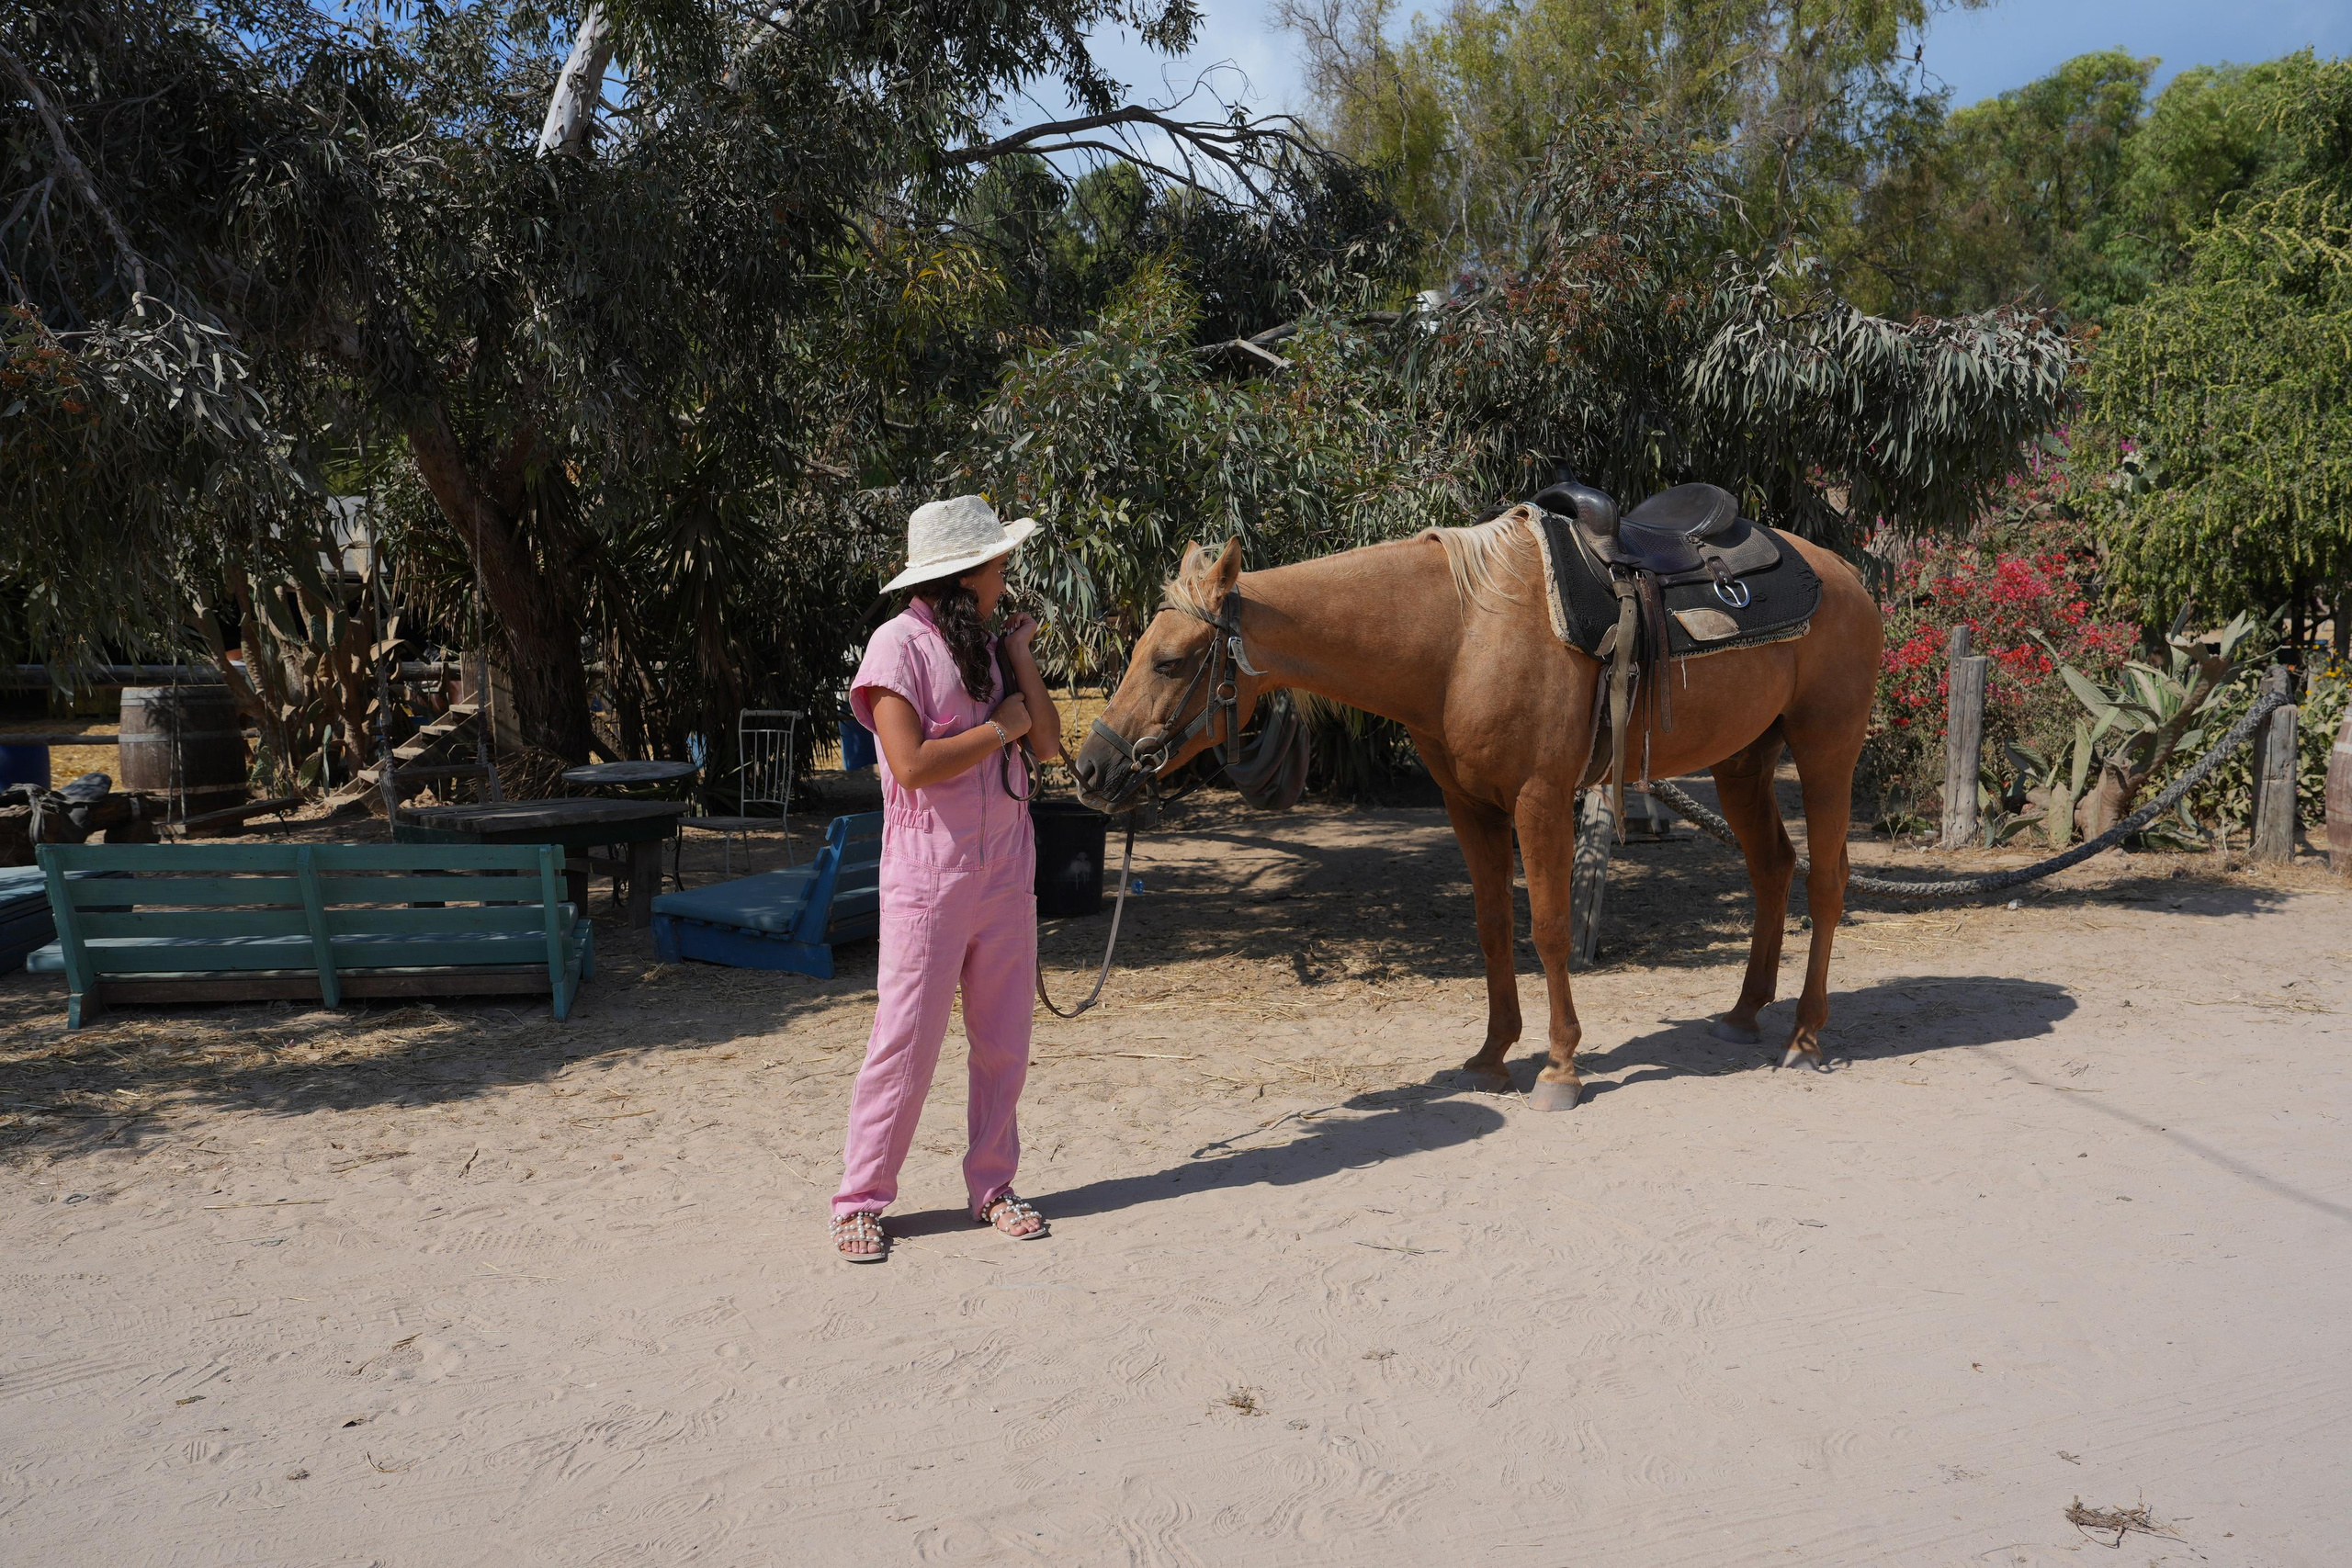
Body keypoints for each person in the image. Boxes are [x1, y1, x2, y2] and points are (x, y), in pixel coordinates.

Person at [831, 495, 1062, 1262]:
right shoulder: (895, 646)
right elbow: (911, 766)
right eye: (998, 565)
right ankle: (860, 1199)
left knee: (1004, 1040)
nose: (1006, 576)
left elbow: (1051, 744)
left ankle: (992, 1184)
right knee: (905, 1042)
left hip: (1004, 871)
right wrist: (999, 727)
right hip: (929, 879)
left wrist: (1021, 655)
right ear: (964, 576)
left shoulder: (991, 650)